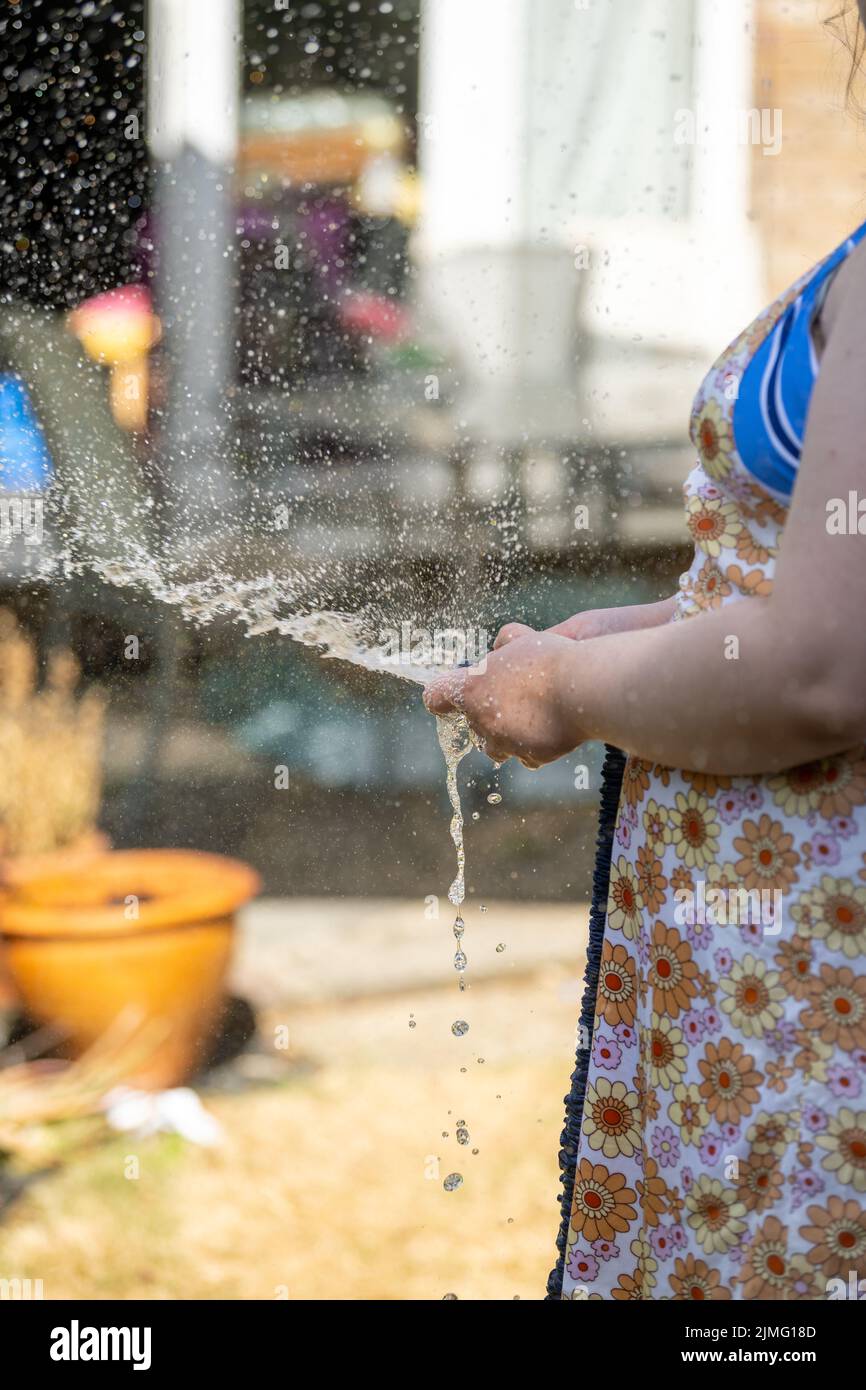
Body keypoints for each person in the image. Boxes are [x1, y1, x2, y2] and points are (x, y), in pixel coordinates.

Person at [424, 13, 866, 1301]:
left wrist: (566, 690)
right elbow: (812, 596)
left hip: (811, 996)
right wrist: (656, 633)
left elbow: (819, 668)